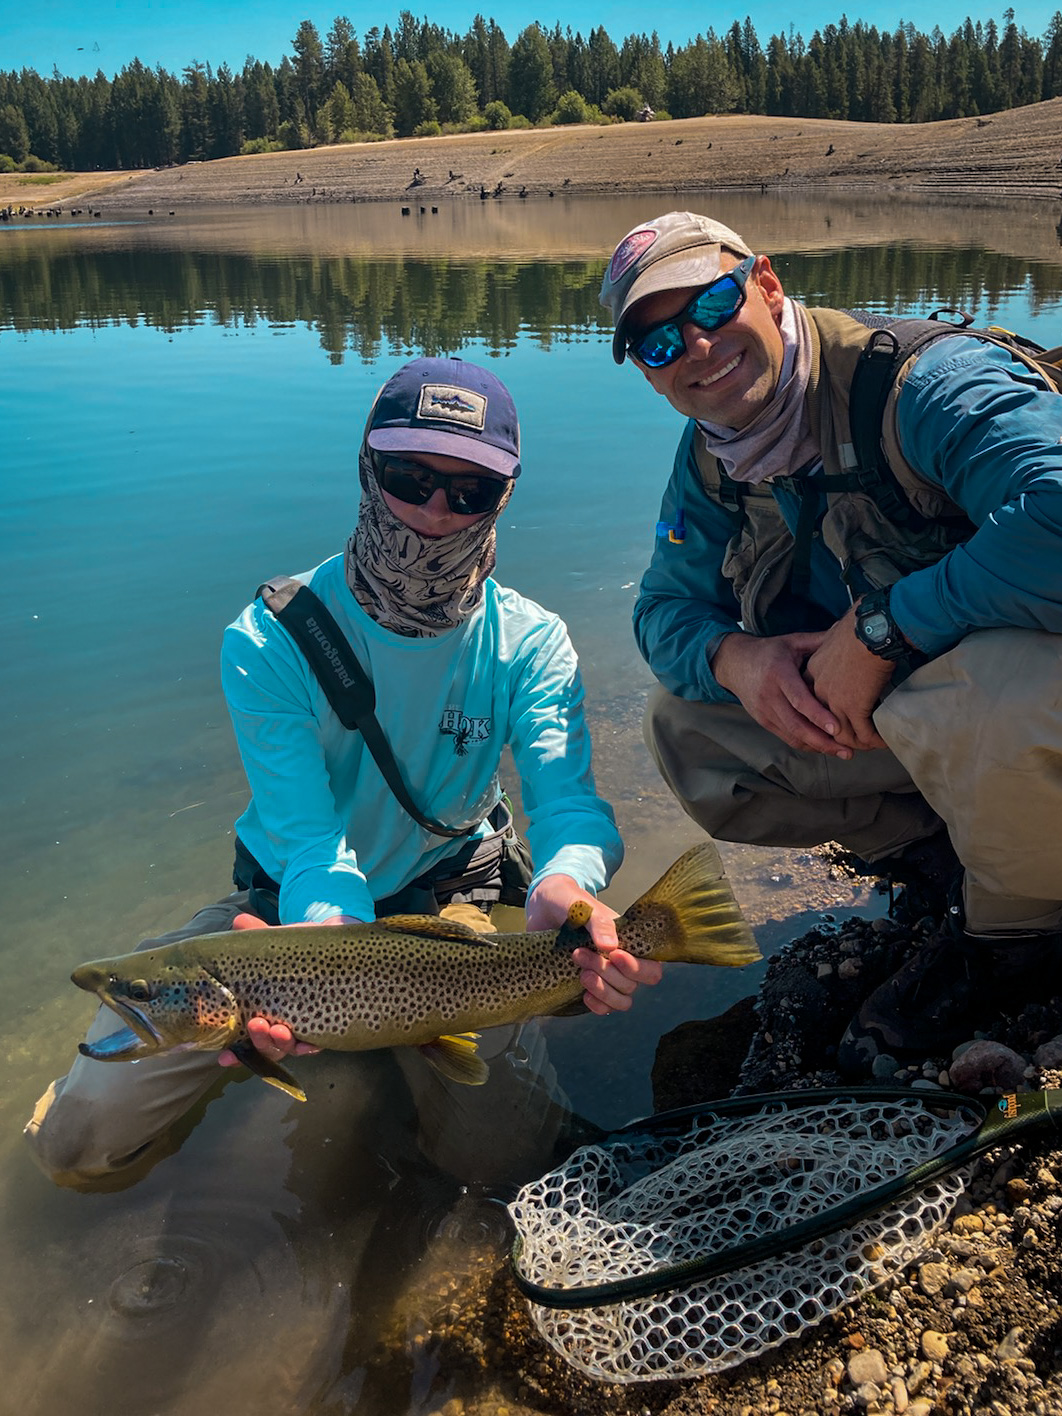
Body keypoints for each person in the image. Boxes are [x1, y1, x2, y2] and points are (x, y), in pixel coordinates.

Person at [26, 356, 660, 1187]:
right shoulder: (269, 639)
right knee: (77, 1150)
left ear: (502, 497)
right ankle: (341, 1057)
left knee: (502, 1163)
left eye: (468, 491)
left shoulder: (531, 642)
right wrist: (326, 953)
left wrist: (566, 886)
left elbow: (568, 803)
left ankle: (376, 1061)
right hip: (287, 913)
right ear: (369, 468)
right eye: (409, 476)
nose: (435, 512)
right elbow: (309, 843)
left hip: (447, 901)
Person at [598, 209, 1062, 1074]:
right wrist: (734, 659)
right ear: (648, 375)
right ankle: (946, 868)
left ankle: (1014, 940)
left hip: (1017, 704)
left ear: (767, 285)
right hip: (924, 721)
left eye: (710, 305)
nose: (694, 349)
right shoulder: (712, 458)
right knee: (685, 726)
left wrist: (885, 629)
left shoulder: (923, 385)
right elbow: (663, 611)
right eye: (658, 344)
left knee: (998, 686)